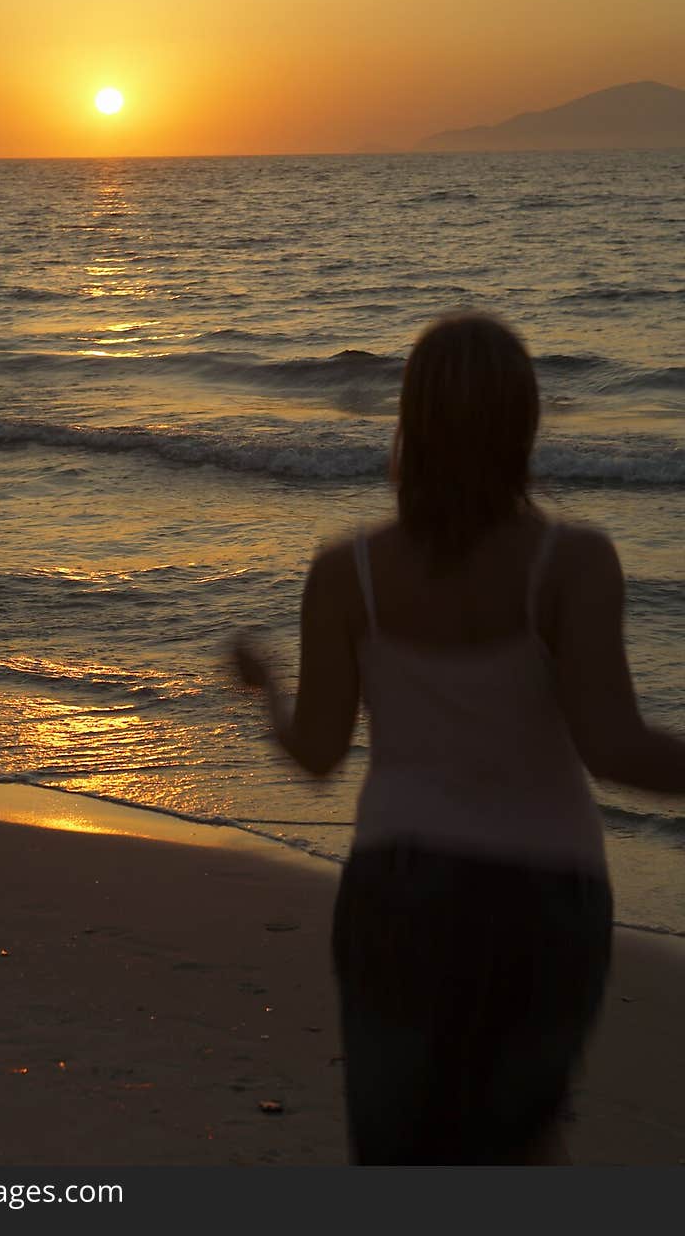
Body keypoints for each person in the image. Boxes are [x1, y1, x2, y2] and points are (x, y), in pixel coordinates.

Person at [231, 312, 685, 1165]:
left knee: (402, 1153)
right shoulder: (574, 562)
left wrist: (268, 691)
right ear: (525, 425)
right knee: (517, 1151)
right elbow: (616, 747)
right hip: (548, 893)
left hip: (399, 889)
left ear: (411, 422)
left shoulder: (347, 572)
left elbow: (319, 754)